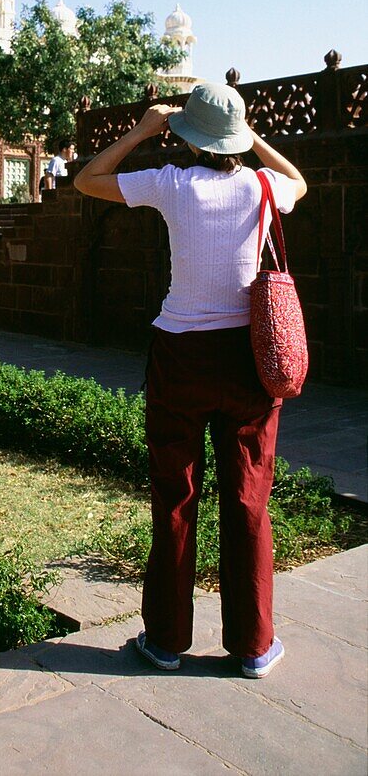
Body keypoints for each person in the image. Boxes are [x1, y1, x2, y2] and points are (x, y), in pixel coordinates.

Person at [74, 82, 307, 680]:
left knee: (175, 499)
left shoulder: (173, 184)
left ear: (187, 137)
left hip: (180, 354)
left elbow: (87, 180)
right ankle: (254, 646)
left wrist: (143, 132)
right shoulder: (262, 186)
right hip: (247, 360)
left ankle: (167, 641)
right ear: (235, 138)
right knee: (249, 499)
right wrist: (253, 139)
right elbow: (299, 181)